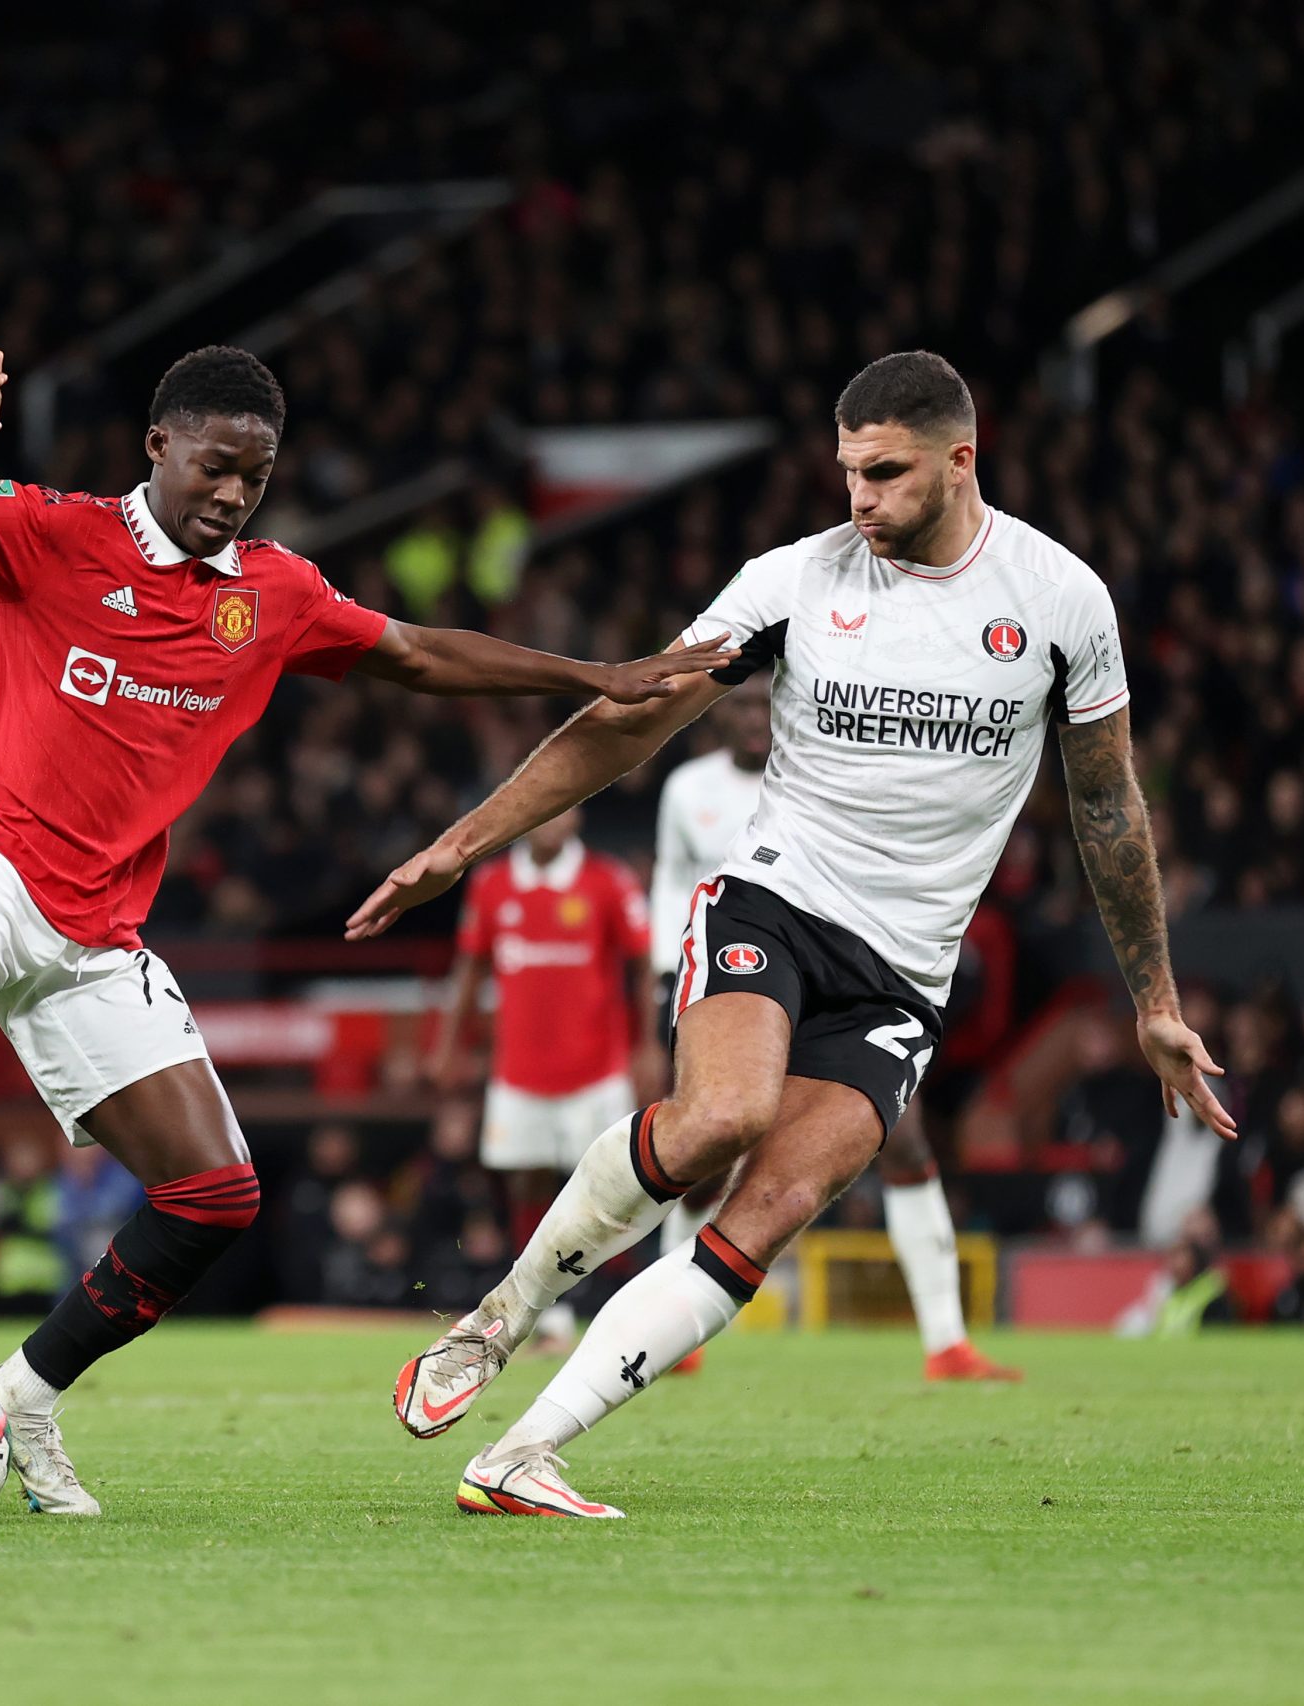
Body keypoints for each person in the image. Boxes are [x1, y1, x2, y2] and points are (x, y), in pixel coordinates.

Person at [0, 344, 735, 1514]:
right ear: (159, 447)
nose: (234, 493)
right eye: (217, 466)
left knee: (216, 1196)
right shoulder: (51, 530)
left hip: (98, 927)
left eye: (257, 473)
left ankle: (26, 1396)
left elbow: (415, 652)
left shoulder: (273, 592)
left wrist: (592, 673)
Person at [358, 350, 1234, 1518]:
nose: (859, 498)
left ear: (960, 459)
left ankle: (523, 1451)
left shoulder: (1059, 599)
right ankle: (499, 1313)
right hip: (775, 902)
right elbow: (626, 724)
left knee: (762, 1214)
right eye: (846, 473)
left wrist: (1154, 1000)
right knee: (723, 1116)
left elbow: (1108, 806)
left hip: (904, 978)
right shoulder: (791, 581)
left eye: (884, 473)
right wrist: (463, 843)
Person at [648, 679, 1020, 1382]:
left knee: (903, 1140)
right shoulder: (687, 790)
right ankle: (673, 1333)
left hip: (835, 976)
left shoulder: (821, 765)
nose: (756, 720)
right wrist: (661, 979)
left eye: (767, 707)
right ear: (718, 717)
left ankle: (948, 1342)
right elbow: (671, 885)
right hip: (732, 980)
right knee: (712, 1148)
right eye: (742, 708)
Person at [427, 806, 649, 1348]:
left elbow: (642, 964)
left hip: (596, 1069)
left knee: (611, 1189)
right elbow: (470, 968)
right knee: (528, 1181)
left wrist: (647, 1047)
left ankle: (614, 1307)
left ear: (577, 817)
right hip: (519, 1071)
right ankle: (544, 1308)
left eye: (562, 811)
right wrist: (447, 1045)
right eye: (538, 812)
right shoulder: (492, 884)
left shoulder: (608, 881)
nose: (548, 821)